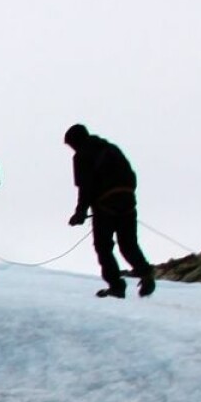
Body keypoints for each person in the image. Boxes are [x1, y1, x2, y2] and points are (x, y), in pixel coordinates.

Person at [65, 123, 152, 297]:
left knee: (103, 247)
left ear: (76, 141)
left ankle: (116, 286)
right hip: (128, 203)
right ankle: (146, 274)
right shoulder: (111, 148)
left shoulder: (81, 156)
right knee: (128, 245)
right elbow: (131, 175)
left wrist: (80, 212)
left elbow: (85, 187)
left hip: (104, 207)